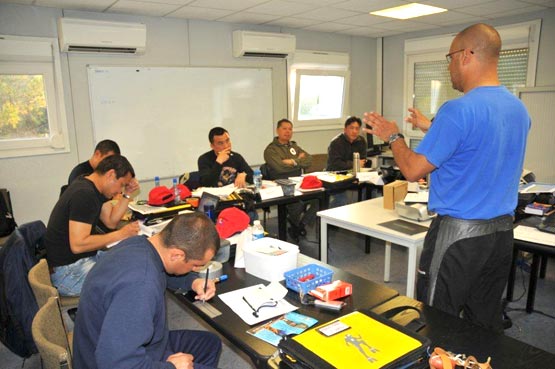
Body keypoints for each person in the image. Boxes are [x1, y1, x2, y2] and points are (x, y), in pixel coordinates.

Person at [363, 23, 530, 331]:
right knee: (484, 319)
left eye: (450, 57)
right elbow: (477, 148)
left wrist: (393, 136)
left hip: (459, 236)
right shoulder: (518, 109)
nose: (449, 65)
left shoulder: (457, 110)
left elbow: (413, 170)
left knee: (437, 317)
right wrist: (432, 128)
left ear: (467, 55)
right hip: (501, 234)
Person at [73, 213, 222, 369]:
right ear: (177, 255)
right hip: (116, 361)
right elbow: (116, 363)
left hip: (125, 344)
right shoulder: (140, 286)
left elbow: (161, 271)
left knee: (210, 343)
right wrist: (172, 367)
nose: (196, 269)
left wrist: (192, 281)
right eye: (195, 265)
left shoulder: (139, 245)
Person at [45, 155, 140, 296]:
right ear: (111, 175)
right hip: (68, 272)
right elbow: (78, 245)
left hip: (82, 260)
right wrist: (121, 234)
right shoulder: (84, 195)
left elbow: (111, 222)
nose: (119, 191)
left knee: (130, 262)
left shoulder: (90, 184)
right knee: (130, 281)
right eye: (121, 185)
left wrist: (127, 194)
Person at [263, 119, 315, 241]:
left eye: (290, 129)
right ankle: (295, 225)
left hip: (299, 182)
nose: (288, 132)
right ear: (277, 130)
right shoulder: (271, 150)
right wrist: (298, 161)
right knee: (297, 204)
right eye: (284, 128)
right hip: (282, 184)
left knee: (319, 198)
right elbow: (279, 168)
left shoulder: (294, 146)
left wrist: (292, 161)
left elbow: (309, 160)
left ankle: (299, 226)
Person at [326, 116, 367, 207]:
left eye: (357, 128)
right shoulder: (336, 143)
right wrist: (354, 164)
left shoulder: (361, 141)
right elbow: (336, 164)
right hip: (335, 176)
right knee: (341, 200)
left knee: (368, 191)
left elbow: (363, 160)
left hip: (354, 175)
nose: (354, 131)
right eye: (351, 128)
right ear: (345, 129)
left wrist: (357, 165)